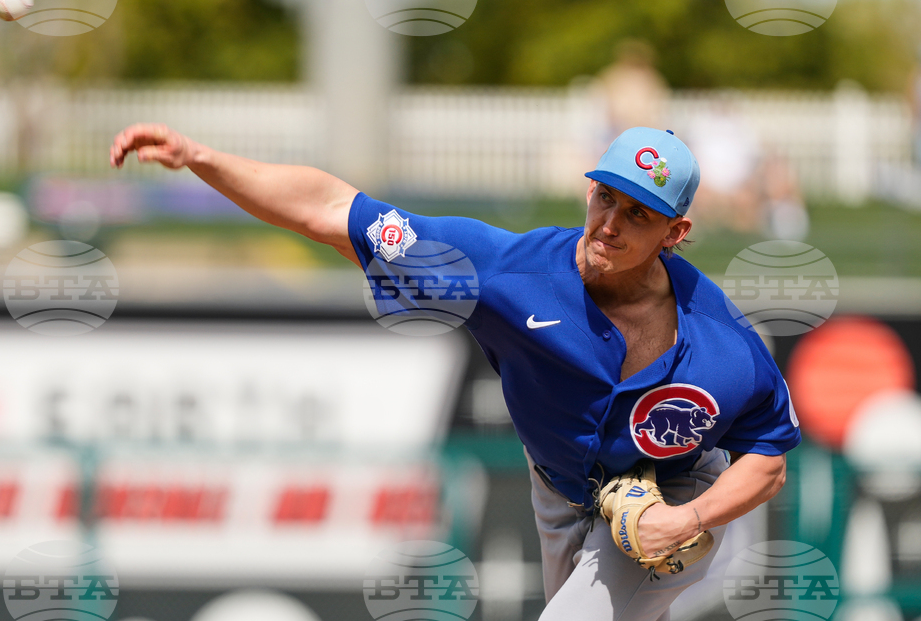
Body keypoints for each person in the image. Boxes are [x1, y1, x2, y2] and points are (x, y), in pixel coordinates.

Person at [109, 124, 800, 621]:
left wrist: (689, 518)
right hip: (560, 488)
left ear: (675, 235)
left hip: (674, 490)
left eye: (638, 214)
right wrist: (199, 156)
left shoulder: (722, 346)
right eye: (605, 198)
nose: (610, 224)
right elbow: (330, 208)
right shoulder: (504, 272)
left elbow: (768, 457)